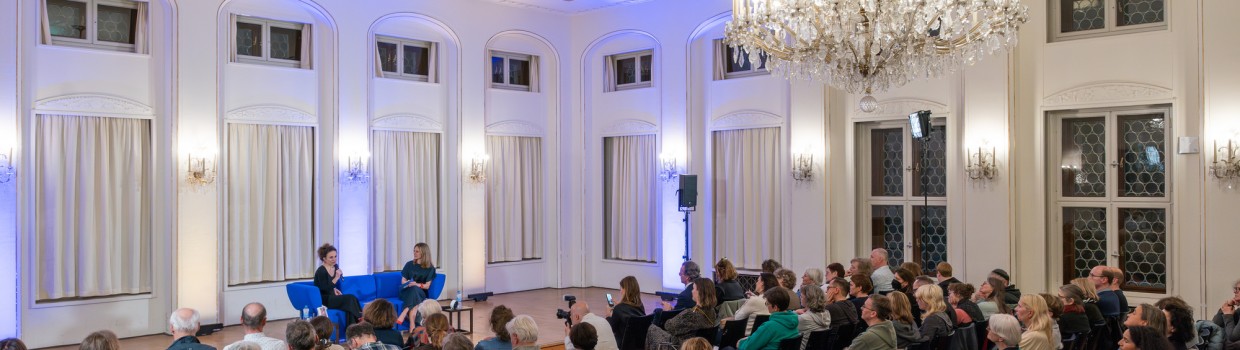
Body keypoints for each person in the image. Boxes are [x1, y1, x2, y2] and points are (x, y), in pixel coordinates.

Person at [646, 278, 717, 349]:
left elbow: (668, 326)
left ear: (700, 293)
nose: (691, 291)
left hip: (681, 345)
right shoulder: (712, 311)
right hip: (701, 345)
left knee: (652, 329)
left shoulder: (690, 315)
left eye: (693, 289)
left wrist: (667, 312)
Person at [314, 244, 363, 327]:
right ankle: (361, 319)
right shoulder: (321, 271)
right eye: (331, 257)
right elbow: (324, 288)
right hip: (325, 299)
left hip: (332, 296)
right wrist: (336, 278)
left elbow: (330, 286)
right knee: (350, 298)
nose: (334, 259)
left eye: (335, 256)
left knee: (351, 304)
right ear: (324, 258)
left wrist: (334, 289)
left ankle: (352, 330)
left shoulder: (334, 267)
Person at [398, 242, 437, 327]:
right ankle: (411, 323)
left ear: (424, 253)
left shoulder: (430, 268)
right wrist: (408, 284)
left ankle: (405, 313)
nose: (414, 253)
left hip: (420, 292)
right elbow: (403, 280)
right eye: (414, 251)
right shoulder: (409, 264)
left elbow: (427, 286)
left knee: (415, 290)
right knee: (414, 294)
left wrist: (417, 284)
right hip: (406, 291)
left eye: (417, 251)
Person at [796, 284, 831, 349]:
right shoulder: (827, 314)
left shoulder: (804, 318)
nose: (800, 298)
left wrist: (794, 312)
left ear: (808, 299)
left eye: (801, 296)